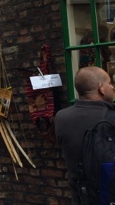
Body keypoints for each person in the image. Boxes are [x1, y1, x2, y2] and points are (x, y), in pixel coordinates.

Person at [55, 66, 115, 204]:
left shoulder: (61, 117)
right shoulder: (111, 118)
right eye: (109, 83)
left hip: (80, 196)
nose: (112, 87)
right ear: (101, 88)